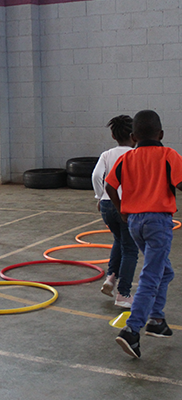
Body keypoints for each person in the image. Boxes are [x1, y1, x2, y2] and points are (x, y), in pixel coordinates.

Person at [105, 110, 182, 358]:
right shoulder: (169, 155)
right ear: (161, 134)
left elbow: (109, 185)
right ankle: (132, 329)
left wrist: (122, 211)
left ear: (134, 136)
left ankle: (157, 320)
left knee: (165, 271)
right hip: (158, 222)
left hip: (135, 223)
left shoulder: (127, 158)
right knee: (151, 275)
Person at [92, 115, 138, 308]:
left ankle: (111, 278)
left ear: (113, 135)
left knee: (119, 241)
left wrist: (99, 197)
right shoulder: (135, 155)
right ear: (134, 136)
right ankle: (123, 294)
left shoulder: (106, 154)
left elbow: (96, 175)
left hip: (107, 205)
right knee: (130, 249)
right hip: (126, 207)